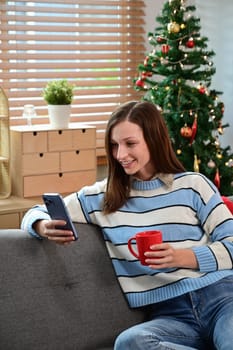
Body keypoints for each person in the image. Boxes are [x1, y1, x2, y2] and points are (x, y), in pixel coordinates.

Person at [21, 100, 233, 350]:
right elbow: (35, 212)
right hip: (173, 316)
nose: (120, 154)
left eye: (130, 144)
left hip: (222, 299)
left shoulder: (193, 186)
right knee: (130, 342)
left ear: (153, 140)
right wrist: (42, 225)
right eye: (114, 145)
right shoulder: (102, 198)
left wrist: (182, 257)